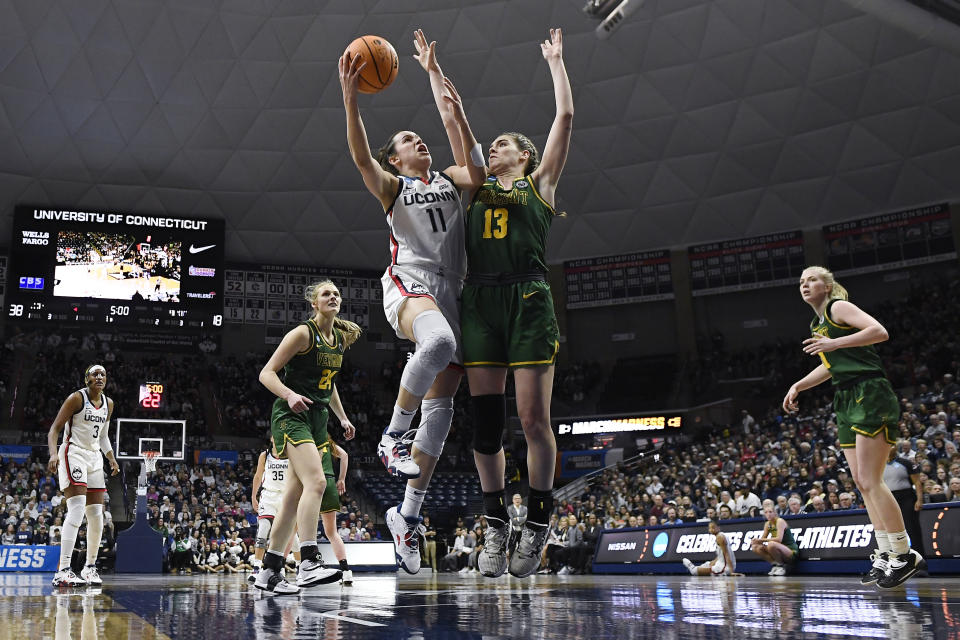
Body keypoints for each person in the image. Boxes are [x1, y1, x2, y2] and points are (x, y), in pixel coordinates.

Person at [339, 29, 486, 575]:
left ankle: (408, 515)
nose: (417, 140)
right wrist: (352, 100)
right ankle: (392, 435)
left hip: (453, 288)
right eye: (407, 138)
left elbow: (473, 161)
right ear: (394, 157)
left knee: (444, 409)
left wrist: (434, 79)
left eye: (418, 136)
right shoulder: (393, 188)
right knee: (440, 342)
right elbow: (358, 157)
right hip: (409, 281)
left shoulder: (450, 180)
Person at [460, 28, 574, 580]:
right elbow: (458, 133)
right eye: (495, 144)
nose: (497, 148)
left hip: (528, 296)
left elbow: (565, 120)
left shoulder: (541, 185)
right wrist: (438, 80)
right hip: (481, 297)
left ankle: (538, 520)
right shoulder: (476, 185)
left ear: (525, 157)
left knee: (532, 419)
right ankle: (496, 519)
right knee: (486, 427)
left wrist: (555, 63)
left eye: (505, 144)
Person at [783, 266, 925, 589]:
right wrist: (799, 385)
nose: (805, 285)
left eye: (812, 280)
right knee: (862, 483)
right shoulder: (817, 323)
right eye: (801, 281)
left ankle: (905, 554)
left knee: (872, 480)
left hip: (869, 391)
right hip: (846, 396)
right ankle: (886, 554)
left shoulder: (837, 308)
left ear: (828, 285)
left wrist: (834, 344)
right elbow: (831, 367)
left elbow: (879, 331)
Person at [253, 280, 360, 595]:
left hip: (318, 418)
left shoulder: (338, 340)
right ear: (314, 302)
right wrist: (289, 395)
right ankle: (309, 560)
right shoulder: (302, 334)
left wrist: (342, 417)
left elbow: (330, 383)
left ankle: (269, 571)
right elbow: (266, 373)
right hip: (291, 415)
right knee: (317, 482)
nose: (333, 296)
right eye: (326, 293)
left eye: (337, 293)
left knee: (294, 494)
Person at [46, 364, 120, 586]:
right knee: (77, 510)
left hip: (95, 457)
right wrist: (52, 454)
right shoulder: (76, 399)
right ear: (87, 378)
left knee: (96, 514)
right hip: (73, 453)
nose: (99, 377)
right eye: (95, 374)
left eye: (103, 374)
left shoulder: (109, 403)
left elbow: (104, 436)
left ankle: (89, 567)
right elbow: (54, 429)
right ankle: (64, 570)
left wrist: (111, 457)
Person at [249, 434, 299, 584]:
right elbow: (258, 476)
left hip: (286, 497)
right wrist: (253, 496)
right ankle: (257, 567)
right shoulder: (265, 455)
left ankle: (300, 567)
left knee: (291, 536)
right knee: (263, 529)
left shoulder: (292, 455)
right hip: (268, 496)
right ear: (271, 439)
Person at [318, 436, 354, 585]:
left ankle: (279, 569)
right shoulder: (327, 441)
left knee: (294, 529)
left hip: (313, 481)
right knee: (332, 533)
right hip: (330, 482)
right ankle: (346, 572)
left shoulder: (307, 436)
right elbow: (344, 455)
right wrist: (342, 479)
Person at [884, 444, 925, 559]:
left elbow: (917, 482)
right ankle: (897, 560)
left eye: (892, 445)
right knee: (891, 531)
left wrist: (919, 500)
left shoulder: (905, 463)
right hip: (888, 499)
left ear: (896, 448)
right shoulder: (878, 465)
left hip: (907, 497)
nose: (889, 448)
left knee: (912, 528)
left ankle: (919, 560)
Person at [750, 503, 799, 575]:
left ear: (775, 513)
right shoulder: (767, 524)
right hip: (778, 550)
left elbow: (779, 539)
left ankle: (781, 566)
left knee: (771, 544)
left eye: (770, 512)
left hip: (790, 551)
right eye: (766, 512)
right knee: (755, 547)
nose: (768, 514)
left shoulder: (780, 521)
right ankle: (775, 565)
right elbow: (762, 540)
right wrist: (755, 541)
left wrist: (760, 540)